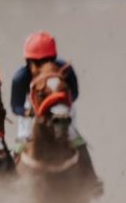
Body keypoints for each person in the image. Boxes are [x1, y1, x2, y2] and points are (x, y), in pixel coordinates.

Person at [10, 31, 102, 193]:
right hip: (31, 108)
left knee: (75, 137)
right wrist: (28, 112)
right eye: (37, 63)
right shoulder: (20, 77)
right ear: (28, 62)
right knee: (21, 141)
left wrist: (60, 103)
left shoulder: (66, 69)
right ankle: (10, 182)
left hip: (61, 105)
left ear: (54, 58)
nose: (44, 67)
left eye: (48, 61)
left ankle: (92, 180)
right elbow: (15, 106)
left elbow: (74, 93)